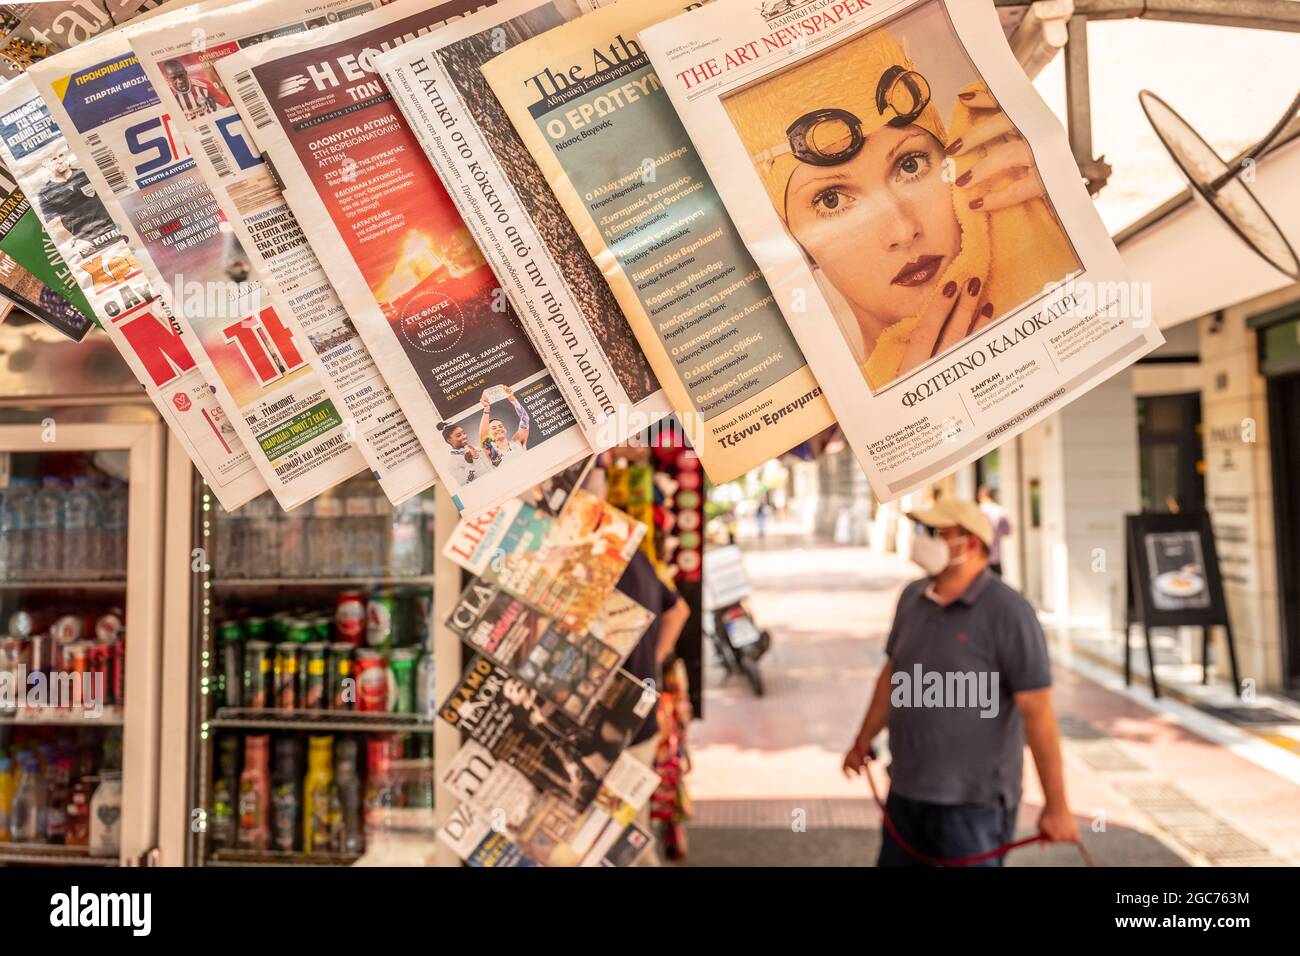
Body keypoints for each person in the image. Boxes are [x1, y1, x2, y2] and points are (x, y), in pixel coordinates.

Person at [725, 27, 1078, 389]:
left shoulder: (1061, 289)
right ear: (792, 240)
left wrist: (1066, 223)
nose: (902, 230)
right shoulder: (822, 420)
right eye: (832, 199)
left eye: (910, 165)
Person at [842, 497, 1078, 866]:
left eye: (936, 532)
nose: (925, 538)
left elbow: (1038, 714)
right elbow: (891, 678)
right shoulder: (911, 598)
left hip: (974, 808)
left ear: (969, 544)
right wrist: (863, 738)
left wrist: (1057, 805)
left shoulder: (1010, 612)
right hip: (906, 794)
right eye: (924, 530)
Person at [615, 548, 690, 866]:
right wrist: (652, 662)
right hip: (639, 720)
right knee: (631, 834)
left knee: (625, 838)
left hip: (617, 727)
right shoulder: (632, 553)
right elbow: (678, 610)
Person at [479, 386, 529, 466]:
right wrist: (486, 408)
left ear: (505, 429)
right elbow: (483, 436)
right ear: (489, 434)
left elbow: (525, 419)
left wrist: (512, 398)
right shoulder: (490, 450)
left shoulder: (517, 441)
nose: (499, 429)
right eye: (494, 428)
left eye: (500, 426)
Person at [978, 485, 1013, 576]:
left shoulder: (977, 511)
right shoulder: (1001, 511)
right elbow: (1006, 533)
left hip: (979, 558)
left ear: (981, 497)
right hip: (995, 557)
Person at [436, 421, 480, 485]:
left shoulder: (476, 449)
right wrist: (470, 463)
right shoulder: (452, 462)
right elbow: (465, 483)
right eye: (459, 435)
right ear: (449, 440)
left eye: (464, 433)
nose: (464, 436)